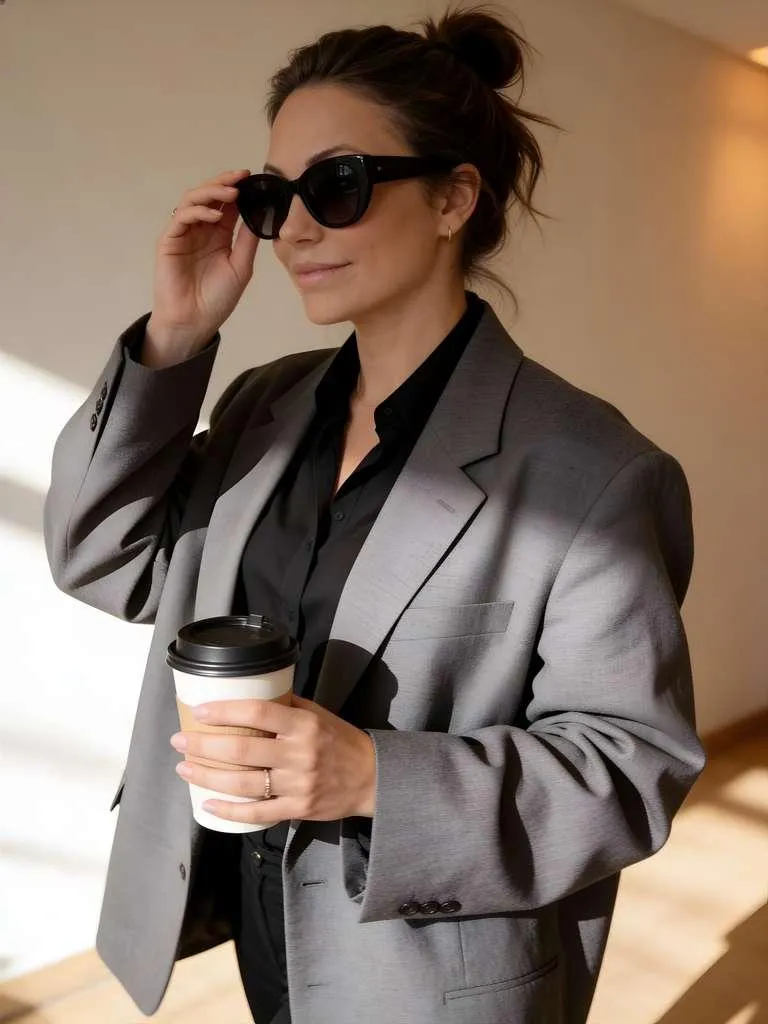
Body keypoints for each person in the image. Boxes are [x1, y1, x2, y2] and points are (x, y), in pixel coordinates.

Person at [43, 5, 707, 1023]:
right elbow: (104, 558)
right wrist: (173, 338)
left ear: (453, 198)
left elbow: (632, 767)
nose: (295, 229)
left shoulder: (593, 471)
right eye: (274, 197)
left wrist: (374, 778)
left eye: (337, 185)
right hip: (260, 924)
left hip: (424, 975)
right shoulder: (264, 403)